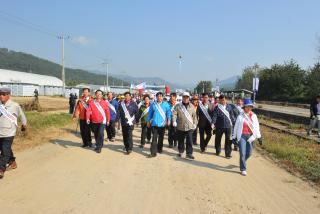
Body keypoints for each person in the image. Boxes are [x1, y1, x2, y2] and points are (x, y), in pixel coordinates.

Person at [0, 87, 27, 179]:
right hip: (0, 132)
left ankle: (1, 169)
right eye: (0, 94)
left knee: (4, 151)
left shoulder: (14, 105)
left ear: (8, 95)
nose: (1, 96)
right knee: (5, 149)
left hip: (9, 132)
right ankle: (12, 162)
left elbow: (22, 115)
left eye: (3, 94)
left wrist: (24, 124)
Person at [232, 98, 262, 176]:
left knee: (249, 153)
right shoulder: (240, 116)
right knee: (242, 152)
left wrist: (259, 137)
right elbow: (236, 127)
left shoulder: (254, 116)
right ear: (244, 107)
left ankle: (242, 161)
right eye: (247, 106)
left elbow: (256, 127)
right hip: (242, 136)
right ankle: (243, 169)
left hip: (251, 136)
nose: (248, 108)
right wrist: (234, 137)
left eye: (250, 106)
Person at [173, 92, 197, 160]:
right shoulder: (178, 106)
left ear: (189, 98)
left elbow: (194, 116)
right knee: (180, 140)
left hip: (189, 127)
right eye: (184, 97)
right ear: (182, 97)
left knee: (189, 140)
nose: (185, 98)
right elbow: (174, 114)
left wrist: (195, 123)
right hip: (180, 126)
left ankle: (189, 154)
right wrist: (174, 121)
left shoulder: (192, 106)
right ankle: (181, 152)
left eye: (187, 97)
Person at [147, 92, 171, 157]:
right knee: (154, 139)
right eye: (158, 96)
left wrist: (169, 119)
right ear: (156, 97)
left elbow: (169, 112)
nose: (159, 97)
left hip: (162, 125)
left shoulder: (166, 104)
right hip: (154, 124)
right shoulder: (153, 104)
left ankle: (159, 149)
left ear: (162, 97)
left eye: (160, 96)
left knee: (161, 138)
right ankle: (153, 152)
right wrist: (148, 121)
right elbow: (150, 113)